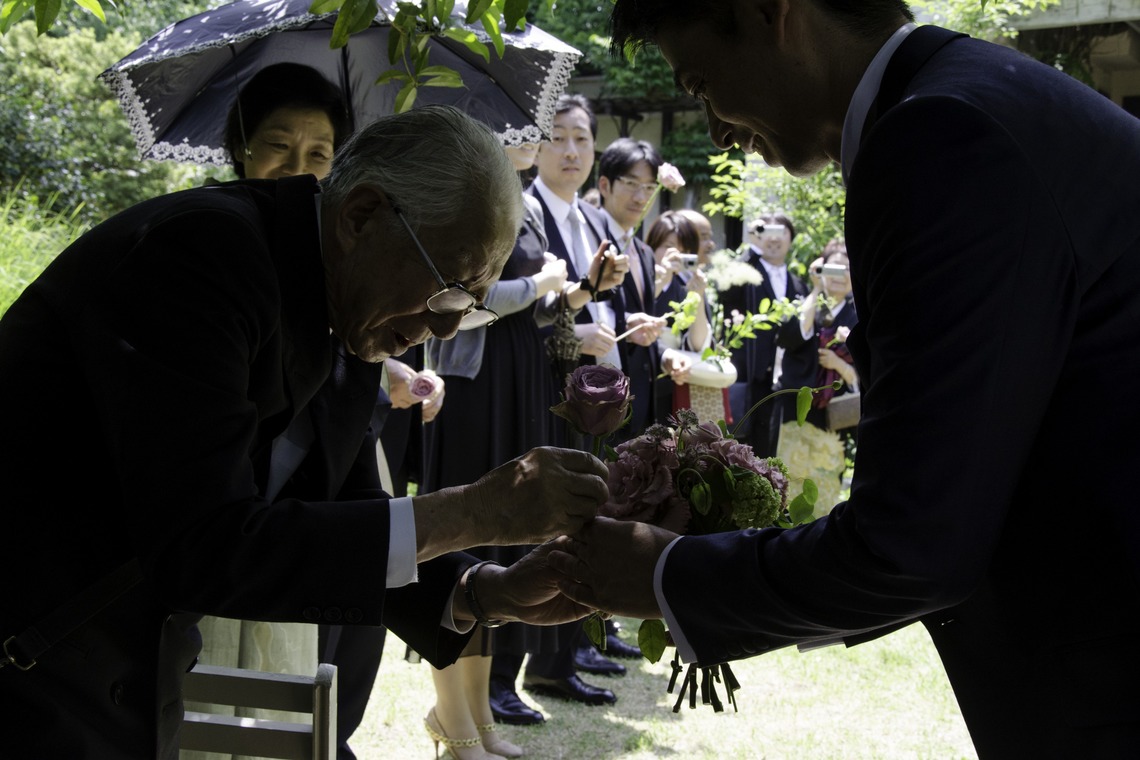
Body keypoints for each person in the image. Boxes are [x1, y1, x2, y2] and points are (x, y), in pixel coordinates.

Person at [551, 1, 1140, 757]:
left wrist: (666, 575)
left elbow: (915, 544)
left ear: (771, 13)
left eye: (701, 85)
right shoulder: (976, 97)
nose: (718, 128)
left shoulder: (940, 136)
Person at [0, 105, 608, 760]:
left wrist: (485, 591)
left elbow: (336, 508)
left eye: (469, 304)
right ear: (360, 216)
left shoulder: (337, 301)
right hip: (30, 665)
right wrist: (473, 512)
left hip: (116, 678)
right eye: (447, 292)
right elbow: (201, 546)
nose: (444, 331)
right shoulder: (202, 258)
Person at [419, 140, 570, 758]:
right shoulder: (467, 198)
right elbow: (471, 301)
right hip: (470, 392)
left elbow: (523, 313)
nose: (533, 132)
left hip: (511, 385)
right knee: (457, 547)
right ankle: (452, 720)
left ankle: (477, 719)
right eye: (518, 125)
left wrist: (561, 293)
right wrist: (540, 283)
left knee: (493, 549)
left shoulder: (522, 204)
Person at [505, 92, 631, 709]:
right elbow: (529, 313)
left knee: (588, 513)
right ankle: (533, 661)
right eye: (559, 136)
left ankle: (567, 649)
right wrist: (571, 328)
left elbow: (593, 299)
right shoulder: (522, 209)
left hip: (596, 385)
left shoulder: (591, 217)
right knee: (544, 517)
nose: (573, 150)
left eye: (583, 138)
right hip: (540, 386)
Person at [719, 213, 809, 456]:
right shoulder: (746, 272)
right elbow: (725, 290)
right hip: (747, 377)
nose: (774, 239)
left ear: (791, 238)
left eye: (781, 232)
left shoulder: (799, 284)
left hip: (783, 382)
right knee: (739, 447)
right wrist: (750, 248)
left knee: (771, 450)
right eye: (767, 232)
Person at [646, 210, 731, 425]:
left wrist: (698, 298)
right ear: (651, 246)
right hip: (638, 380)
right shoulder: (638, 280)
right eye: (667, 246)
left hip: (674, 386)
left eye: (685, 250)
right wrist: (661, 278)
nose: (676, 255)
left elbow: (698, 344)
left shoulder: (687, 287)